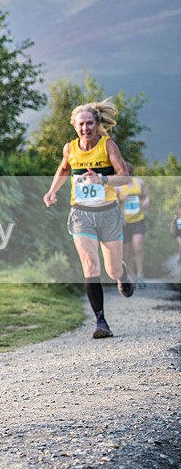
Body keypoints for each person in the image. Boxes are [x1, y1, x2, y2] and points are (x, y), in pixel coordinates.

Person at [43, 99, 135, 339]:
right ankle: (100, 321)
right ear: (74, 125)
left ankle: (123, 275)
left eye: (89, 123)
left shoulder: (108, 146)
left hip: (108, 213)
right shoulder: (70, 148)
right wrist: (52, 191)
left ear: (97, 123)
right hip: (81, 214)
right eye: (81, 124)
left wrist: (103, 180)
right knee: (90, 266)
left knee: (112, 268)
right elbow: (64, 169)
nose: (85, 128)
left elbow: (124, 177)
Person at [116, 162, 149, 288]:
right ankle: (130, 275)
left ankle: (140, 275)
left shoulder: (138, 183)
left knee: (138, 246)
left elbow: (145, 197)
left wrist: (145, 202)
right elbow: (111, 202)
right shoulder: (117, 186)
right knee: (127, 251)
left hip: (138, 219)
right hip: (124, 222)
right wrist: (120, 200)